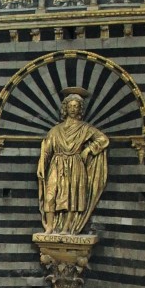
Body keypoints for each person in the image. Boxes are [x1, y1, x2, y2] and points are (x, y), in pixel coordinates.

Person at [37, 89, 109, 235]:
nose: (72, 109)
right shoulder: (55, 130)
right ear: (65, 108)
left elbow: (103, 139)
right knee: (50, 195)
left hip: (75, 164)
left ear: (80, 108)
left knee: (72, 196)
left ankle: (66, 228)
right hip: (56, 164)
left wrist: (88, 150)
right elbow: (47, 150)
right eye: (70, 106)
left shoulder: (85, 128)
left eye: (76, 106)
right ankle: (50, 226)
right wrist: (41, 165)